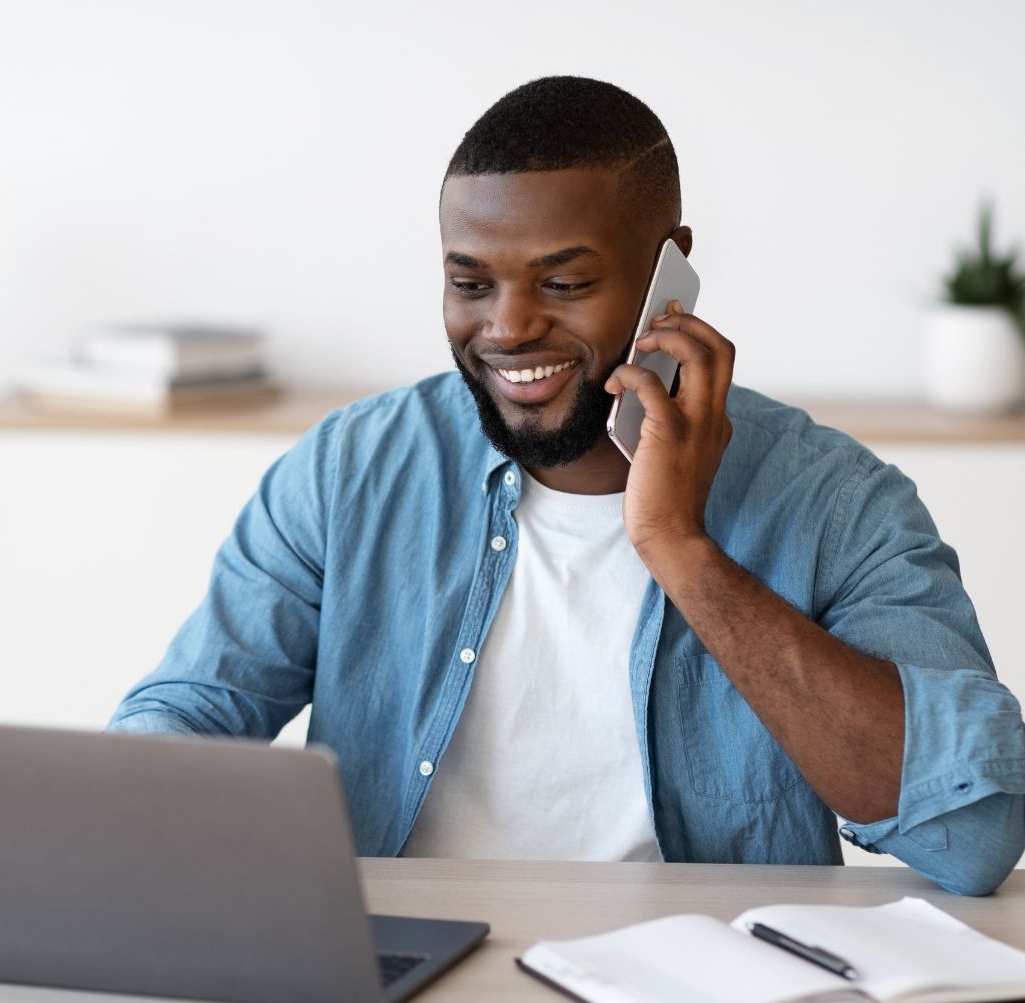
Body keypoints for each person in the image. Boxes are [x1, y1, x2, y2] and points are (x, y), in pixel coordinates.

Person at [108, 76, 1025, 894]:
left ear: (673, 272)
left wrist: (681, 550)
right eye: (470, 281)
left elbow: (974, 837)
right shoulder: (352, 466)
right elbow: (192, 708)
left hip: (712, 1000)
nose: (507, 328)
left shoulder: (836, 502)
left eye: (565, 280)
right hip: (403, 977)